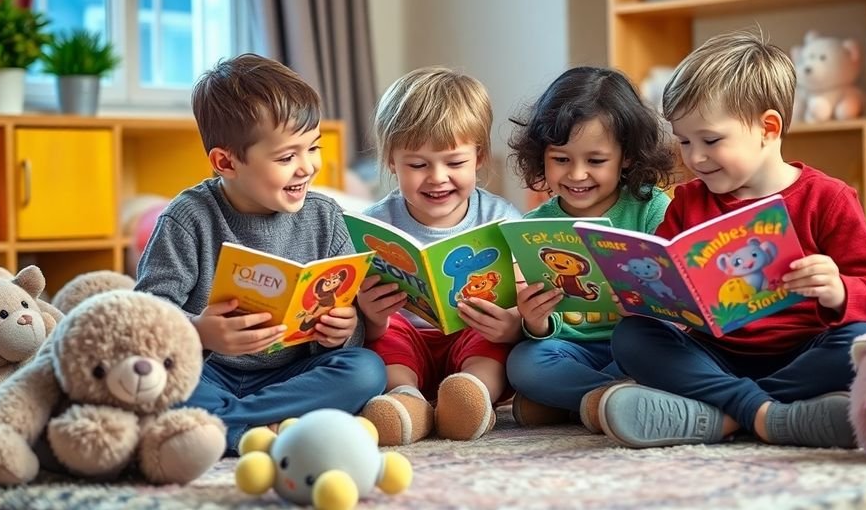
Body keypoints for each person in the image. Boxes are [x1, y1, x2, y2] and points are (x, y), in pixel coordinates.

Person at [602, 31, 866, 449]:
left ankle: (721, 416)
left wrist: (839, 290)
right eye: (684, 142)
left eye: (710, 140)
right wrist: (644, 298)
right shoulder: (687, 202)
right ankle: (769, 414)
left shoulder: (828, 198)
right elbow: (662, 275)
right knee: (632, 338)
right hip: (714, 354)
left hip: (804, 351)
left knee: (863, 343)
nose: (694, 158)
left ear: (768, 127)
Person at [134, 53, 386, 456]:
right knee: (151, 380)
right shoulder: (188, 218)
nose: (306, 167)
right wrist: (199, 331)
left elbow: (346, 335)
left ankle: (226, 427)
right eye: (287, 157)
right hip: (206, 371)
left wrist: (342, 330)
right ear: (226, 162)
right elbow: (146, 313)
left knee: (366, 371)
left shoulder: (326, 218)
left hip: (290, 375)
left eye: (313, 148)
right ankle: (262, 428)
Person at [357, 67, 523, 445]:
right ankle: (406, 402)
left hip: (473, 337)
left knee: (494, 343)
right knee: (383, 342)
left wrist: (510, 325)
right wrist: (372, 316)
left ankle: (471, 396)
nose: (436, 177)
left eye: (454, 162)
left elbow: (521, 301)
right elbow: (359, 317)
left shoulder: (502, 219)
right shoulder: (372, 227)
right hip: (403, 340)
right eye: (417, 165)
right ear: (390, 161)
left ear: (479, 157)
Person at [505, 66, 676, 431]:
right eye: (561, 159)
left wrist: (639, 305)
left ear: (626, 157)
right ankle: (610, 399)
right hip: (569, 349)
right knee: (523, 363)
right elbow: (542, 329)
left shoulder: (651, 208)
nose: (577, 175)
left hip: (635, 345)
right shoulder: (534, 225)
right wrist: (534, 320)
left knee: (663, 352)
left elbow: (670, 298)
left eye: (595, 161)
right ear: (542, 157)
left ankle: (570, 403)